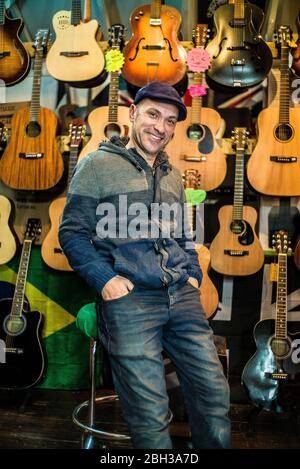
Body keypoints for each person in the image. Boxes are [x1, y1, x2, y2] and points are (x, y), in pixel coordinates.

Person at [59, 81, 231, 449]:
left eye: (170, 121)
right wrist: (105, 279)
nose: (161, 127)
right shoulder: (97, 165)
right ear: (133, 114)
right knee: (151, 415)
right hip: (130, 299)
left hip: (180, 296)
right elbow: (72, 233)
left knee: (215, 397)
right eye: (153, 114)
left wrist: (193, 275)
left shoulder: (172, 174)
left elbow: (183, 234)